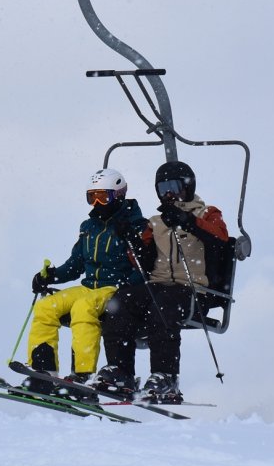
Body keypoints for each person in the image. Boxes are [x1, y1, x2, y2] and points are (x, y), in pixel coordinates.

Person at [93, 161, 229, 403]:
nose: (169, 194)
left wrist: (188, 221)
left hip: (195, 288)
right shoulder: (156, 223)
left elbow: (219, 240)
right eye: (164, 188)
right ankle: (120, 372)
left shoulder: (206, 214)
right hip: (159, 284)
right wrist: (131, 239)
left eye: (175, 187)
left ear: (188, 187)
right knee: (121, 302)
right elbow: (142, 261)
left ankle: (165, 376)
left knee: (164, 306)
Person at [22, 168, 149, 396]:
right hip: (88, 286)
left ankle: (82, 374)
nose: (98, 203)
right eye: (92, 197)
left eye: (103, 196)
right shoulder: (88, 227)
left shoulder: (136, 225)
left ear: (118, 195)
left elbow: (144, 265)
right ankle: (44, 371)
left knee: (84, 308)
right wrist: (51, 276)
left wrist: (129, 286)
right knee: (45, 306)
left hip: (115, 287)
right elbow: (76, 264)